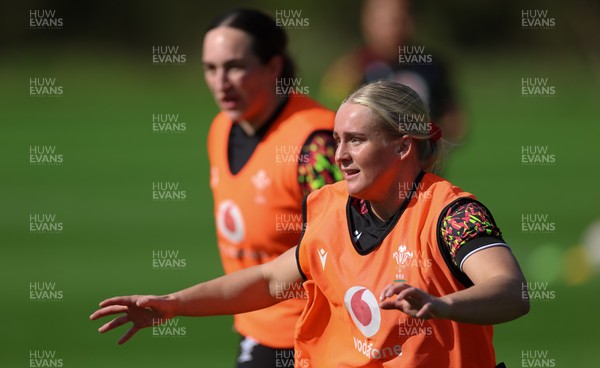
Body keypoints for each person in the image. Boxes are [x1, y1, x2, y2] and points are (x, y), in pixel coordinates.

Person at [91, 81, 529, 367]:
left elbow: (512, 291)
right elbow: (268, 279)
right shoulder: (329, 207)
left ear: (401, 147)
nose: (338, 155)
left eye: (355, 140)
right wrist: (171, 304)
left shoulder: (451, 213)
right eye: (338, 139)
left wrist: (442, 305)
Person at [202, 8, 340, 367]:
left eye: (235, 66)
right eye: (211, 68)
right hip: (254, 329)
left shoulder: (316, 144)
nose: (221, 82)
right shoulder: (220, 129)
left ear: (273, 67)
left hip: (314, 339)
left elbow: (347, 248)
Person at [320, 0, 465, 142]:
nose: (393, 25)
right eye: (383, 17)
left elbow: (454, 125)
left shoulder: (431, 66)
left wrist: (423, 141)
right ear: (366, 19)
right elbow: (333, 126)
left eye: (401, 16)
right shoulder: (349, 70)